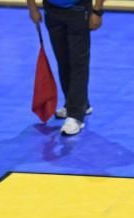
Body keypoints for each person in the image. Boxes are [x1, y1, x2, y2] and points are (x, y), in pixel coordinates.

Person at [26, 0, 104, 136]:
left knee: (78, 63)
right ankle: (77, 104)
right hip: (52, 10)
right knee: (63, 60)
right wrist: (32, 8)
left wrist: (97, 11)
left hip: (78, 9)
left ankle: (76, 116)